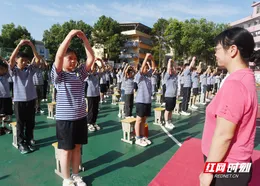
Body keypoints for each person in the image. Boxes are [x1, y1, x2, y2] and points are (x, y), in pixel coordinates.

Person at [200, 27, 257, 186]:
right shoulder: (246, 77)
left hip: (225, 166)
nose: (215, 53)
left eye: (217, 49)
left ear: (232, 50)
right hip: (235, 164)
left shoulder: (235, 84)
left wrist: (208, 171)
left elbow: (224, 135)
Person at [51, 30, 94, 186]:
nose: (74, 61)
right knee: (66, 150)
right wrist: (69, 37)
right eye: (70, 59)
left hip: (80, 117)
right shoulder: (59, 75)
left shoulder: (79, 74)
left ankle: (76, 175)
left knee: (77, 148)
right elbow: (58, 56)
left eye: (75, 59)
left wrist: (84, 40)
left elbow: (91, 58)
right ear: (63, 61)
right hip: (65, 119)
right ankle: (67, 179)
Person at [9, 39, 41, 154]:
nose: (24, 62)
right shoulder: (14, 71)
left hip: (31, 100)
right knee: (20, 123)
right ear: (17, 61)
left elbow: (37, 59)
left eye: (26, 61)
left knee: (30, 122)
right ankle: (21, 143)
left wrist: (32, 45)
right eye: (22, 60)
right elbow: (11, 59)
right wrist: (19, 45)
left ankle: (28, 141)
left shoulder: (30, 70)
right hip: (19, 101)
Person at [134, 53, 155, 147]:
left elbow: (154, 68)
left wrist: (152, 59)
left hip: (147, 101)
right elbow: (142, 68)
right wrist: (146, 57)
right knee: (138, 119)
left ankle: (142, 136)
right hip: (140, 101)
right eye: (145, 68)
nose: (146, 69)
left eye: (147, 68)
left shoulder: (148, 76)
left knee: (144, 120)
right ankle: (137, 138)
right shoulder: (139, 76)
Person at [164, 59, 178, 129]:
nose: (172, 70)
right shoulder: (167, 76)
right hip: (168, 96)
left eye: (173, 70)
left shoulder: (175, 77)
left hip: (173, 96)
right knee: (167, 110)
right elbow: (168, 69)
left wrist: (174, 63)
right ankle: (166, 122)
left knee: (171, 110)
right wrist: (169, 61)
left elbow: (175, 68)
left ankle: (169, 121)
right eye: (171, 69)